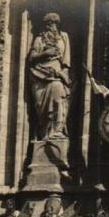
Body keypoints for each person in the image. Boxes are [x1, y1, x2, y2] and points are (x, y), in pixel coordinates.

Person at [28, 12, 71, 141]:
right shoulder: (39, 39)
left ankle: (57, 130)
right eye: (48, 23)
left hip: (57, 75)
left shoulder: (63, 37)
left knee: (59, 94)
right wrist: (45, 53)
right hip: (40, 74)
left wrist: (64, 75)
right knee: (42, 109)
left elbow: (66, 61)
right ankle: (44, 132)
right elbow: (31, 57)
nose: (51, 26)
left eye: (54, 23)